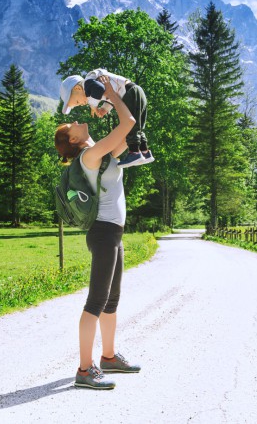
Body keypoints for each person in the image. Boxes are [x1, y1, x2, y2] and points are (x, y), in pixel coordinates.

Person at [54, 74, 141, 390]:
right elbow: (128, 121)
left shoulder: (101, 154)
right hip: (104, 234)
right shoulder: (89, 156)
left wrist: (107, 103)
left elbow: (127, 136)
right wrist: (110, 95)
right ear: (74, 141)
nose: (77, 121)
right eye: (71, 127)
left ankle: (107, 357)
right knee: (96, 301)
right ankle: (84, 369)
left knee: (111, 299)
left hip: (112, 234)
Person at [60, 69, 154, 168]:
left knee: (134, 129)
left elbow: (100, 89)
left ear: (77, 89)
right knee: (138, 128)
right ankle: (145, 152)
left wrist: (93, 106)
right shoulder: (91, 85)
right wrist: (105, 108)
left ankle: (134, 153)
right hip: (135, 92)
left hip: (130, 94)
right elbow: (109, 95)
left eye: (78, 102)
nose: (82, 104)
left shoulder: (88, 84)